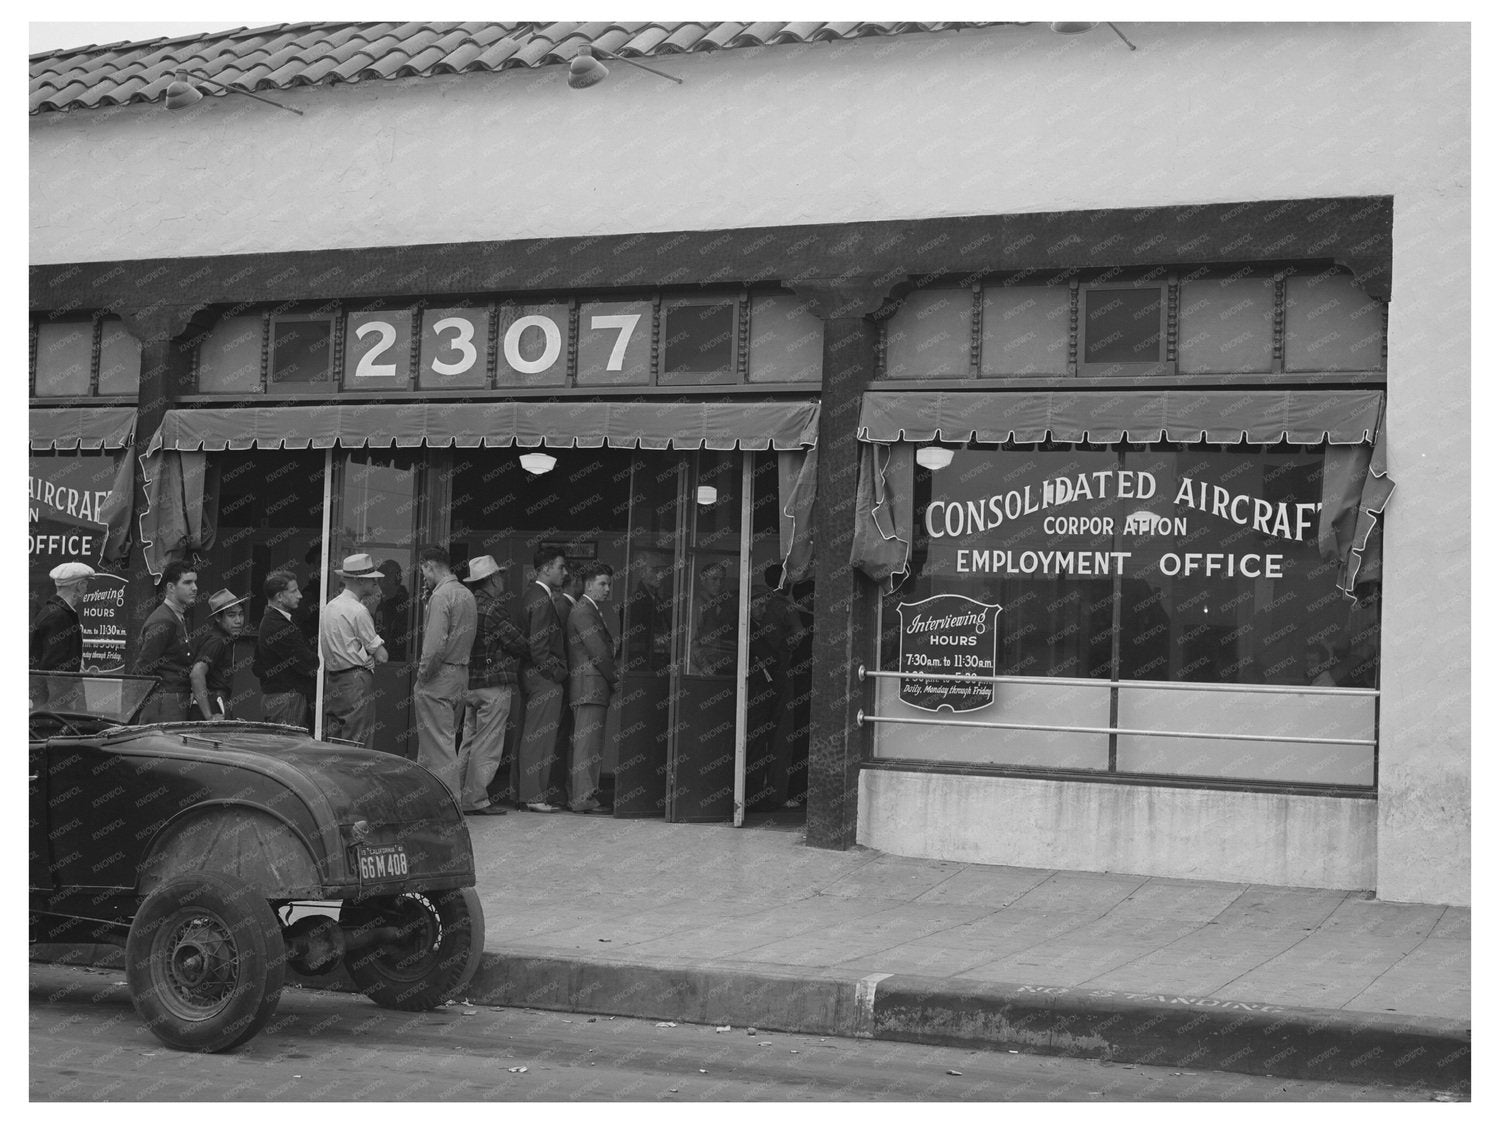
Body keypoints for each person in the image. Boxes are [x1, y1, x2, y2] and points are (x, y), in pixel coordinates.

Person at [459, 555, 526, 816]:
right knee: (487, 744)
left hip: (469, 683)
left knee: (468, 742)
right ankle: (475, 799)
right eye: (500, 576)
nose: (503, 580)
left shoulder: (467, 604)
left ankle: (455, 795)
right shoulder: (493, 608)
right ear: (493, 580)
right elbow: (517, 642)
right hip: (493, 683)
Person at [413, 546, 477, 803]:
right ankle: (433, 802)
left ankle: (445, 806)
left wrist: (422, 676)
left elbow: (434, 647)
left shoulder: (441, 597)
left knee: (437, 748)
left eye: (423, 571)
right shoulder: (465, 593)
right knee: (445, 742)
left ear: (428, 565)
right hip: (460, 674)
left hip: (439, 676)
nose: (424, 578)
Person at [746, 563, 808, 810]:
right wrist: (786, 651)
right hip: (778, 674)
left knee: (755, 736)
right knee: (780, 735)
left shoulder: (755, 604)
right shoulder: (783, 605)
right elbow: (800, 633)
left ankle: (752, 791)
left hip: (755, 678)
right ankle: (773, 793)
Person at [513, 546, 569, 812]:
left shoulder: (532, 595)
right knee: (539, 738)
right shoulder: (541, 598)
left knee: (534, 736)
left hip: (534, 675)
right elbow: (539, 648)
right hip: (543, 677)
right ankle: (533, 796)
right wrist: (557, 672)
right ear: (546, 568)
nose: (564, 572)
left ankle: (531, 794)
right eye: (561, 566)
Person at [319, 553, 388, 748]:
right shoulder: (358, 610)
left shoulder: (329, 607)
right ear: (359, 580)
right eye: (371, 579)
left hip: (333, 680)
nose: (375, 582)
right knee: (358, 744)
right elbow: (382, 655)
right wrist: (371, 656)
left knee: (336, 742)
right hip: (355, 680)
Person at [566, 563, 618, 814]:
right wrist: (614, 678)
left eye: (609, 584)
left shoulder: (589, 609)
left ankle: (584, 795)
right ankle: (583, 797)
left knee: (589, 744)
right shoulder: (585, 611)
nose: (607, 589)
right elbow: (599, 651)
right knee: (588, 745)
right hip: (591, 685)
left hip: (591, 686)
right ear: (588, 585)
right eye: (602, 583)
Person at [253, 569, 319, 729]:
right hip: (287, 700)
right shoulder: (279, 626)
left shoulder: (270, 621)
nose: (300, 595)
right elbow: (309, 664)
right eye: (294, 591)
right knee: (288, 749)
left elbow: (257, 667)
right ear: (280, 597)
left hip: (280, 698)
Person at [136, 561, 199, 723]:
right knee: (165, 747)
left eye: (195, 582)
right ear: (171, 588)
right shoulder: (163, 621)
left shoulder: (177, 616)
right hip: (165, 701)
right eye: (187, 582)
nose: (194, 588)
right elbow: (144, 667)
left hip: (173, 698)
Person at [189, 589, 248, 721]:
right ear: (218, 618)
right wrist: (209, 716)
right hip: (210, 705)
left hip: (220, 703)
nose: (238, 620)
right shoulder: (217, 641)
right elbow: (196, 674)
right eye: (232, 615)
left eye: (241, 614)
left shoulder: (226, 639)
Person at [31, 561, 94, 673]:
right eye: (86, 584)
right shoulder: (58, 617)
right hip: (60, 690)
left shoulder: (59, 612)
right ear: (79, 587)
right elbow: (54, 671)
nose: (87, 589)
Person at [692, 561, 737, 675]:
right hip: (703, 669)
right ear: (703, 581)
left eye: (722, 580)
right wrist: (706, 668)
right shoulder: (698, 605)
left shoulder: (724, 605)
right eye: (714, 579)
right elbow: (693, 641)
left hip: (722, 666)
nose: (718, 584)